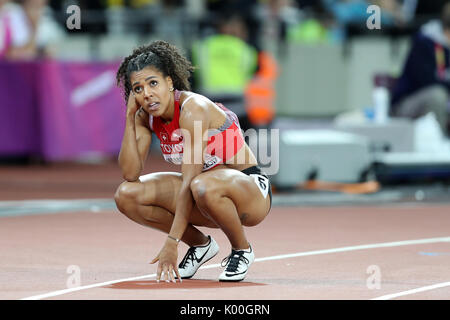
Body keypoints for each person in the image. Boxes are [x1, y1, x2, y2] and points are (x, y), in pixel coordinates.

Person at [114, 40, 272, 283]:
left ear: (169, 82)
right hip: (203, 194)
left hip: (249, 193)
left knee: (201, 184)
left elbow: (190, 179)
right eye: (138, 88)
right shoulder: (146, 117)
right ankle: (200, 246)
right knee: (127, 194)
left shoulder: (193, 108)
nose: (146, 94)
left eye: (153, 83)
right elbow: (130, 172)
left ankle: (242, 249)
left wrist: (171, 242)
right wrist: (129, 117)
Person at [390, 1, 450, 136]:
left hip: (443, 99)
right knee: (438, 95)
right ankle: (440, 146)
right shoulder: (424, 43)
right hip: (405, 105)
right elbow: (429, 81)